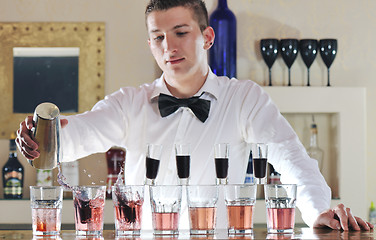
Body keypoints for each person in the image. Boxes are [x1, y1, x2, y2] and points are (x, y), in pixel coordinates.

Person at [16, 0, 372, 231]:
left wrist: (317, 211)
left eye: (180, 33)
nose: (168, 47)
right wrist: (43, 140)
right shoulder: (130, 103)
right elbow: (78, 135)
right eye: (157, 37)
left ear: (207, 36)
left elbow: (293, 158)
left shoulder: (244, 98)